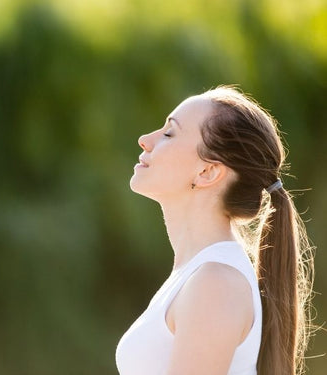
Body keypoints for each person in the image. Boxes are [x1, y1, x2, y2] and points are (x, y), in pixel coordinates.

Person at [115, 86, 314, 375]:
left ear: (207, 172)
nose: (145, 140)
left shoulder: (215, 282)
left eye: (169, 133)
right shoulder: (199, 275)